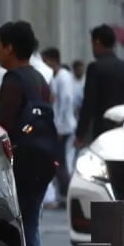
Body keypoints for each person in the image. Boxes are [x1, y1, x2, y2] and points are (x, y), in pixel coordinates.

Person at [0, 21, 55, 246]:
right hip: (43, 159)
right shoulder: (40, 79)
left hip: (22, 162)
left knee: (25, 226)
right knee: (31, 222)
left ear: (10, 48)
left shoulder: (14, 80)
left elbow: (2, 126)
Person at [75, 25, 124, 149]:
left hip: (102, 131)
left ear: (97, 43)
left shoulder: (95, 68)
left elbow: (89, 103)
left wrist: (80, 134)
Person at [40, 48, 76, 207]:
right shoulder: (57, 77)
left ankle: (67, 194)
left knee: (60, 161)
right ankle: (64, 193)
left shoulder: (63, 77)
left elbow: (66, 100)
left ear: (52, 60)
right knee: (59, 161)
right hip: (61, 124)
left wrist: (60, 125)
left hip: (64, 126)